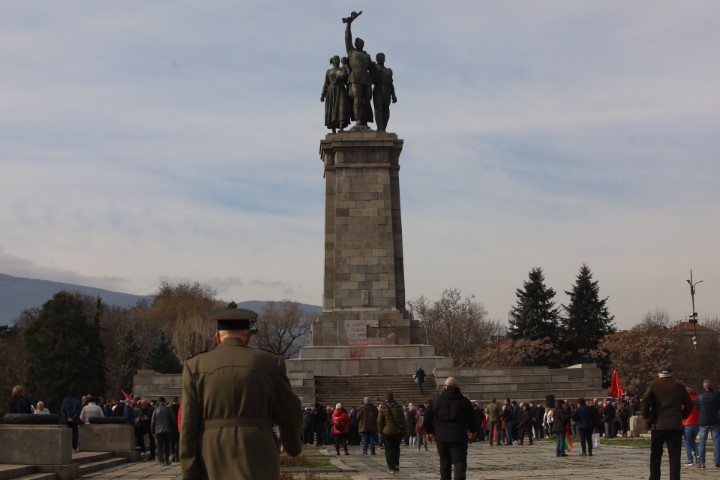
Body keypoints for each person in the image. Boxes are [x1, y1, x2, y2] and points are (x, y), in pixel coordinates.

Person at [180, 305, 302, 479]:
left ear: (218, 337)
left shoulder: (195, 366)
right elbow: (291, 412)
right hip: (258, 448)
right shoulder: (270, 363)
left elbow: (188, 426)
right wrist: (291, 446)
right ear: (248, 337)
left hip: (212, 451)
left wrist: (189, 472)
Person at [641, 365, 693, 480]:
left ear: (659, 374)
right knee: (674, 455)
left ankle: (654, 477)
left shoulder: (653, 385)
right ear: (671, 374)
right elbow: (689, 404)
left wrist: (646, 416)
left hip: (658, 424)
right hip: (675, 425)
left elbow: (645, 400)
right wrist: (682, 416)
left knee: (655, 455)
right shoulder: (679, 386)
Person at [426, 377, 477, 480]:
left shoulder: (437, 400)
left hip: (442, 436)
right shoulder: (464, 401)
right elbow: (472, 417)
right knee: (460, 463)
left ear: (445, 386)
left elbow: (427, 417)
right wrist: (473, 430)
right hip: (459, 436)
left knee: (444, 463)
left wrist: (430, 431)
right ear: (457, 386)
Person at [343, 11, 374, 128]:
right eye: (357, 41)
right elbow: (347, 38)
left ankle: (364, 120)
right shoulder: (351, 51)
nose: (358, 42)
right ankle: (358, 120)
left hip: (366, 79)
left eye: (360, 42)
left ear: (363, 44)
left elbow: (372, 68)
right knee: (356, 99)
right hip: (355, 78)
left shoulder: (367, 56)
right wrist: (348, 24)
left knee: (366, 100)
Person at [377, 391, 406, 474]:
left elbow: (379, 421)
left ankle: (391, 467)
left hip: (387, 431)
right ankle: (396, 464)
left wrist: (380, 430)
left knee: (388, 449)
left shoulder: (383, 407)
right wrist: (404, 429)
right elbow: (403, 420)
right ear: (393, 398)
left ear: (385, 398)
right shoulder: (399, 407)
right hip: (397, 431)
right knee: (396, 448)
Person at [320, 55, 350, 133]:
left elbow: (347, 79)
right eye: (335, 59)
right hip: (331, 91)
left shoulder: (342, 69)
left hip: (340, 90)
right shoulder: (329, 71)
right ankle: (333, 129)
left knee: (341, 106)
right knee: (332, 108)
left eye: (338, 59)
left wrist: (343, 76)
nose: (337, 60)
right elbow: (326, 83)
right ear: (332, 61)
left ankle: (341, 126)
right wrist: (322, 95)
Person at [695, 379, 720, 469]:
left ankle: (701, 463)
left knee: (702, 442)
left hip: (703, 422)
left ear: (703, 386)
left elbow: (697, 408)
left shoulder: (699, 396)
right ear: (711, 385)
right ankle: (717, 462)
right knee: (717, 442)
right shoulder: (716, 396)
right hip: (714, 421)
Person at [151, 397, 177, 466]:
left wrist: (152, 431)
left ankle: (161, 461)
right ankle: (166, 460)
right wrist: (173, 429)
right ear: (164, 401)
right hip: (168, 430)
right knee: (167, 446)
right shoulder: (169, 409)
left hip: (158, 431)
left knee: (159, 447)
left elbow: (153, 421)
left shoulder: (156, 410)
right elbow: (173, 420)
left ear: (158, 402)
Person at [682, 387, 699, 466]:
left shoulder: (685, 400)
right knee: (692, 441)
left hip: (687, 423)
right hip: (696, 423)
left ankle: (690, 460)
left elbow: (682, 410)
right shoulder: (697, 399)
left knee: (687, 442)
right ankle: (698, 455)